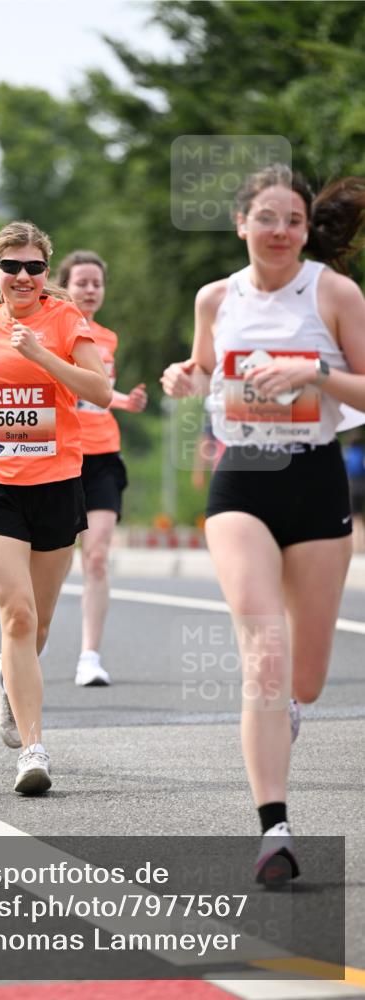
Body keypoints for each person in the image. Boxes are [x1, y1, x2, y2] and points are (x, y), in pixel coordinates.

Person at [161, 164, 365, 884]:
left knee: (302, 680)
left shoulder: (334, 292)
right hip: (242, 474)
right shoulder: (214, 297)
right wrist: (183, 379)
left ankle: (287, 714)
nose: (280, 231)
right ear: (240, 223)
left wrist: (314, 374)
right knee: (264, 651)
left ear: (306, 231)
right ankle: (273, 828)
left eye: (294, 221)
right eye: (267, 217)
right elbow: (202, 371)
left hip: (313, 480)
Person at [0, 221, 112, 794]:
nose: (22, 276)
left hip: (57, 482)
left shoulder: (65, 321)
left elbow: (100, 391)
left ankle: (4, 674)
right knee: (15, 614)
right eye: (11, 266)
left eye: (33, 267)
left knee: (36, 625)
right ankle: (33, 751)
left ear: (46, 273)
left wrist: (42, 355)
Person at [56, 251, 147, 686]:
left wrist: (126, 401)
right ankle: (23, 644)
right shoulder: (51, 330)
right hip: (58, 455)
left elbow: (99, 390)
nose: (91, 290)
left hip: (104, 455)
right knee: (50, 560)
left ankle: (89, 655)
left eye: (97, 283)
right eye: (82, 282)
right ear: (65, 286)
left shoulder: (107, 338)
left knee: (95, 557)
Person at [343, 431, 365, 552]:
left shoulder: (347, 454)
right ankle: (362, 543)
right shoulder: (362, 453)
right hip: (363, 486)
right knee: (360, 515)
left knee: (354, 516)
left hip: (352, 487)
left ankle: (356, 544)